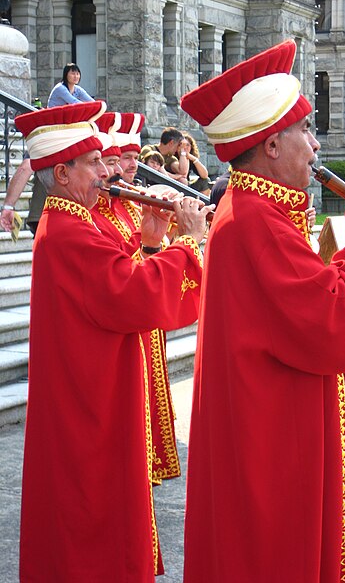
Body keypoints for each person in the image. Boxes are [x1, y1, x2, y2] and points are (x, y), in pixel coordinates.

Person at [180, 39, 345, 583]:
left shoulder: (258, 211)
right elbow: (332, 323)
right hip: (271, 439)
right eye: (304, 133)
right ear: (269, 145)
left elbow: (309, 308)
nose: (315, 147)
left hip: (271, 421)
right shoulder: (255, 218)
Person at [14, 101, 212, 582]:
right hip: (88, 399)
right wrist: (188, 242)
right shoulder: (67, 232)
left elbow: (123, 280)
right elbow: (132, 295)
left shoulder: (77, 222)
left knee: (99, 505)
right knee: (90, 510)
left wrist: (149, 244)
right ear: (62, 174)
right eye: (95, 163)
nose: (107, 172)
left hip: (95, 386)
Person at [93, 111, 184, 486]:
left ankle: (153, 460)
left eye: (126, 159)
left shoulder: (129, 205)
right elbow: (119, 275)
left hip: (145, 317)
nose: (123, 168)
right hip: (126, 319)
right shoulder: (90, 219)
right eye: (113, 160)